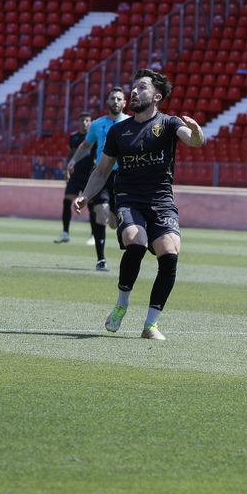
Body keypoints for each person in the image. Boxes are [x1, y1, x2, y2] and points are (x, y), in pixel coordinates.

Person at [74, 69, 204, 341]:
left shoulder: (169, 123)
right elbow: (102, 170)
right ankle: (122, 303)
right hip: (129, 198)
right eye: (133, 87)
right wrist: (85, 195)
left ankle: (151, 325)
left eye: (141, 88)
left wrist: (196, 132)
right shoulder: (119, 131)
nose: (134, 92)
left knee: (169, 253)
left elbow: (192, 141)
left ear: (156, 96)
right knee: (136, 240)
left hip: (161, 200)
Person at [65, 88, 129, 271]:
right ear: (107, 101)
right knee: (100, 210)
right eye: (112, 98)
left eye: (119, 99)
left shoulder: (130, 123)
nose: (115, 101)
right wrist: (73, 160)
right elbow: (86, 145)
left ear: (124, 103)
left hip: (123, 176)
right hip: (101, 173)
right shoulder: (97, 124)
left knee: (114, 222)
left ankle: (112, 215)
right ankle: (101, 259)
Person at [55, 112, 93, 243]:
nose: (85, 123)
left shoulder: (94, 137)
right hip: (76, 175)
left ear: (91, 122)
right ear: (79, 122)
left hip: (90, 175)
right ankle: (65, 233)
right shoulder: (74, 137)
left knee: (92, 205)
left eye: (87, 121)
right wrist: (67, 170)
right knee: (66, 201)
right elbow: (70, 154)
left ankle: (93, 235)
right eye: (82, 120)